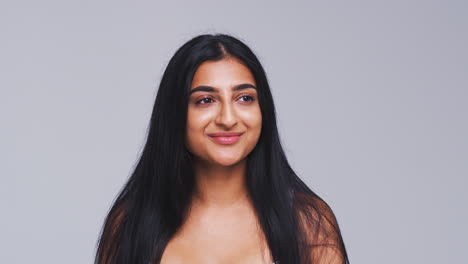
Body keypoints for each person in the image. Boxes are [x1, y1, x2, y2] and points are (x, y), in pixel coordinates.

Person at [94, 33, 350, 264]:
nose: (228, 119)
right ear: (174, 114)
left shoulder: (307, 222)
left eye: (244, 98)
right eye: (205, 100)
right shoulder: (131, 222)